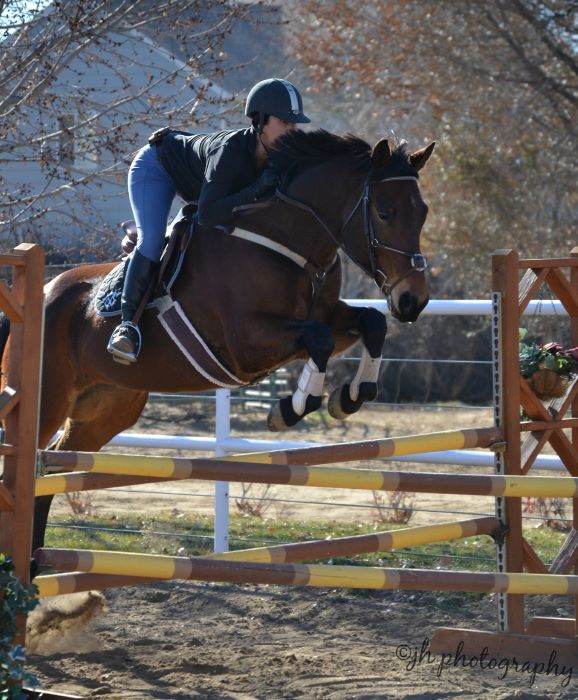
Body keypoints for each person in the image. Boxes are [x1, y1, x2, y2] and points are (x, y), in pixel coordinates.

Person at [107, 78, 311, 364]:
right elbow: (208, 214)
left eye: (295, 124)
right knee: (152, 240)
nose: (293, 130)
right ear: (261, 121)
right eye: (285, 123)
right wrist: (256, 190)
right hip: (157, 168)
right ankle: (127, 327)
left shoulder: (280, 157)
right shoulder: (229, 152)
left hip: (199, 185)